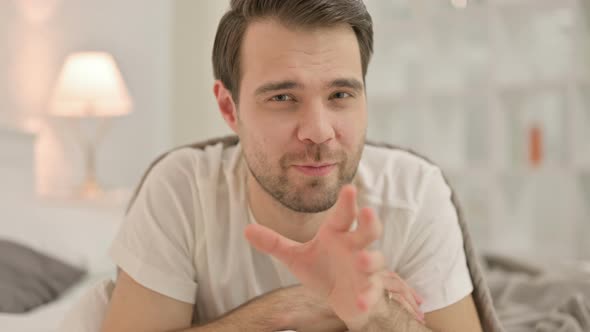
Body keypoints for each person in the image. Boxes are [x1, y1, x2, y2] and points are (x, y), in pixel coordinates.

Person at [100, 0, 483, 331]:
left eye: (340, 94)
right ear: (229, 108)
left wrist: (371, 312)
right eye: (283, 97)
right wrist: (288, 308)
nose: (318, 132)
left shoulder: (413, 192)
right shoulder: (182, 190)